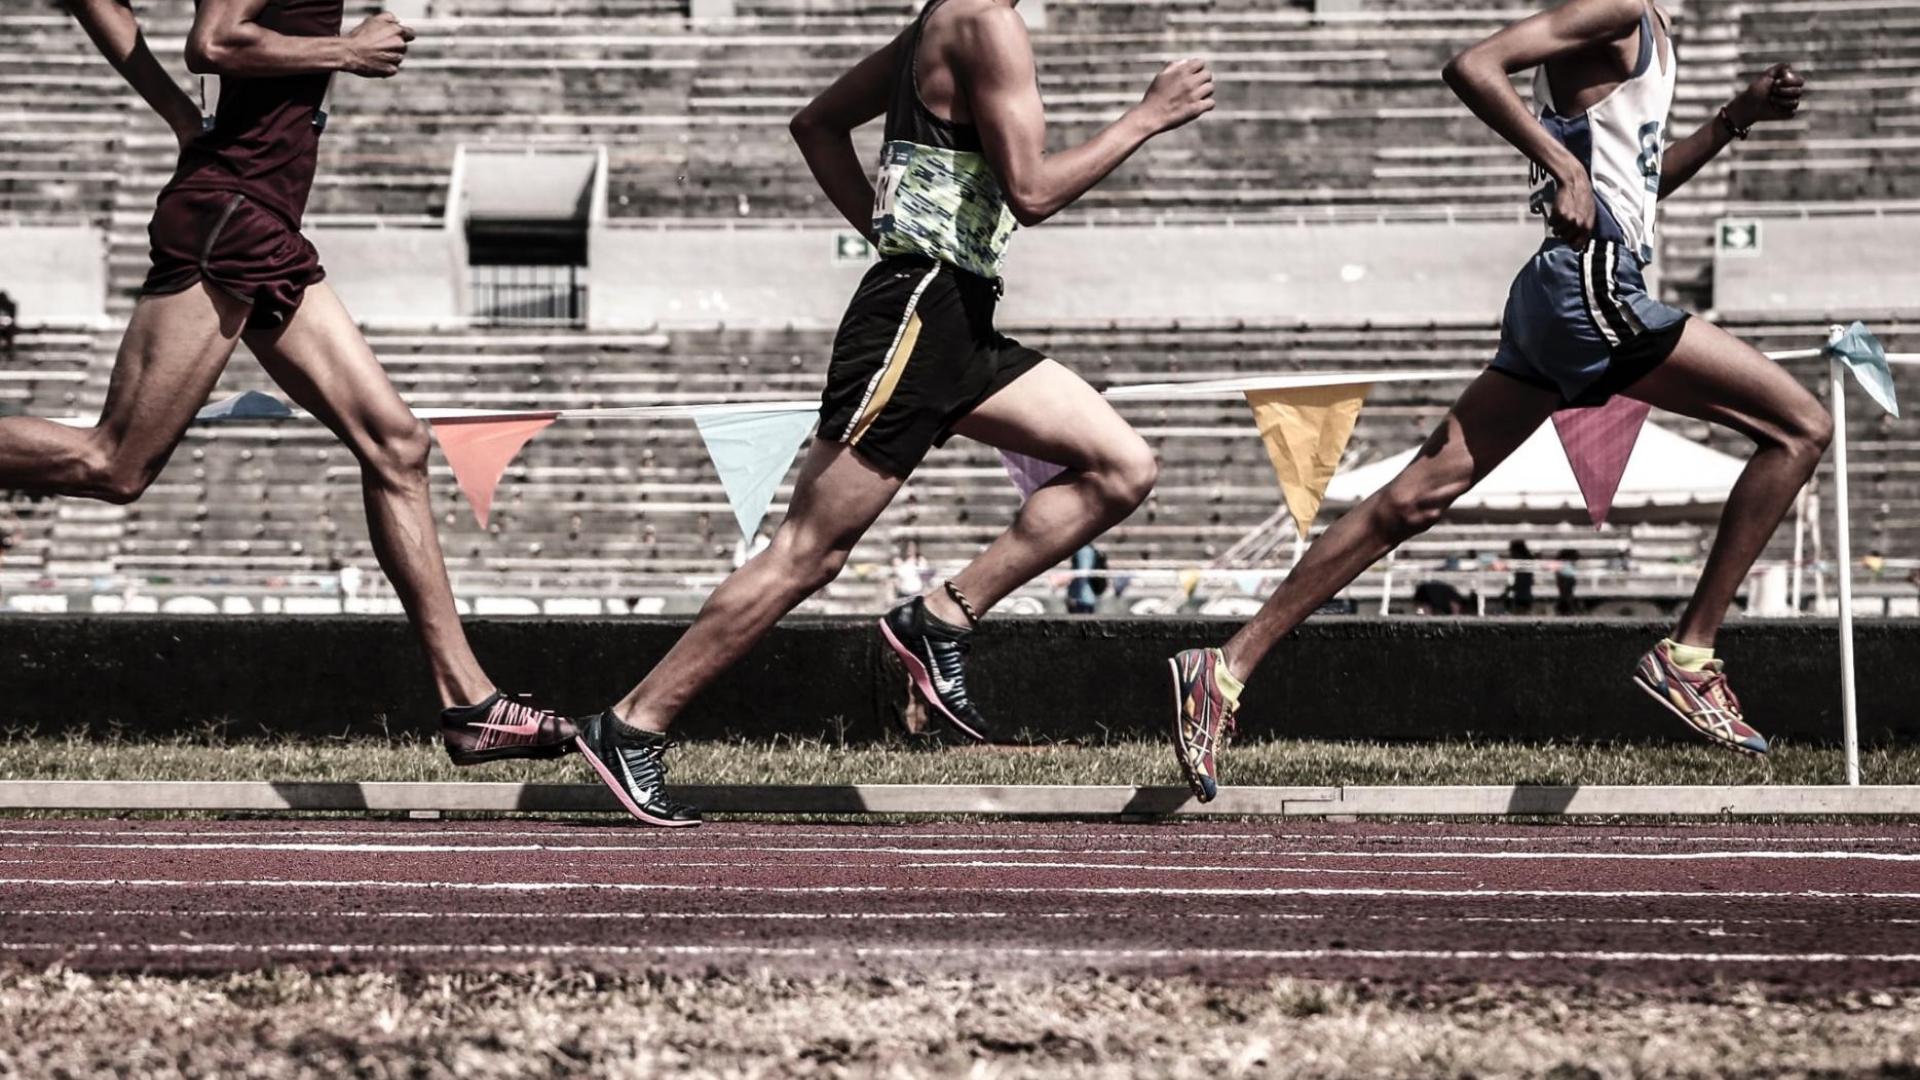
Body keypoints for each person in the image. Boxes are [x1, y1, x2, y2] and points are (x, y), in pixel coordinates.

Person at [570, 0, 1213, 826]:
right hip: (921, 311)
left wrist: (891, 234)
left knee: (1122, 467)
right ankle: (633, 723)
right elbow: (1034, 191)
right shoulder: (985, 20)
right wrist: (1147, 117)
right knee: (810, 551)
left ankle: (938, 617)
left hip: (960, 317)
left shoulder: (937, 22)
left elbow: (816, 125)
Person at [1166, 0, 1823, 801]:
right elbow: (1471, 65)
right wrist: (1565, 166)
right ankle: (1688, 656)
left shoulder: (1650, 24)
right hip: (1589, 281)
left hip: (1564, 290)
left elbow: (1642, 187)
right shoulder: (1612, 9)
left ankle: (1225, 666)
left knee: (1410, 502)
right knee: (1799, 426)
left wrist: (1734, 119)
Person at [27, 0, 575, 764]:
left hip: (263, 220)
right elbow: (214, 40)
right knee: (112, 462)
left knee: (397, 445)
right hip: (231, 215)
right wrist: (345, 51)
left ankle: (470, 705)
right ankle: (468, 701)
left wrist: (186, 119)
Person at [1506, 538, 1536, 613]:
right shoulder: (1525, 564)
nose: (1511, 555)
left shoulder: (1523, 565)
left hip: (1522, 597)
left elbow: (1522, 582)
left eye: (1512, 552)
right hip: (1523, 597)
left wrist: (1509, 589)